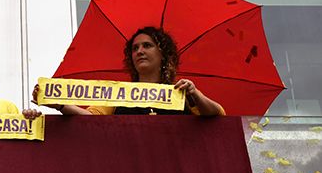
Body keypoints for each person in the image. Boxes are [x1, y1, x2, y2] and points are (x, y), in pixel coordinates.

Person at [39, 26, 224, 116]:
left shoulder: (181, 93)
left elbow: (218, 115)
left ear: (163, 54)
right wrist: (60, 105)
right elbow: (91, 118)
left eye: (147, 46)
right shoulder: (119, 94)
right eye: (135, 49)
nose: (140, 51)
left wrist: (195, 93)